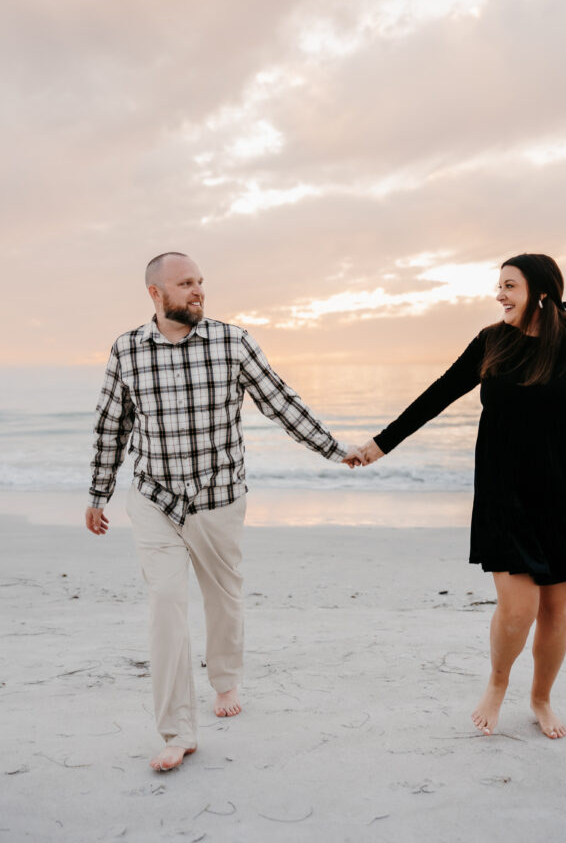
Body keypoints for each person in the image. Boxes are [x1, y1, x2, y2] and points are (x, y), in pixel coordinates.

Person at [358, 253, 566, 740]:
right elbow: (439, 394)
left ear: (540, 293)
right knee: (518, 608)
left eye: (509, 286)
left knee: (558, 609)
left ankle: (540, 697)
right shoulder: (491, 341)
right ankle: (497, 685)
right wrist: (380, 444)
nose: (499, 295)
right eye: (499, 286)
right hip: (506, 492)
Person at [86, 252, 362, 772]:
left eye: (200, 282)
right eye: (185, 283)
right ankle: (177, 731)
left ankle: (226, 678)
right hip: (154, 499)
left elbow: (281, 401)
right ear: (155, 293)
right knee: (166, 605)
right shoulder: (127, 350)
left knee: (223, 597)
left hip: (218, 499)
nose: (197, 291)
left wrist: (332, 447)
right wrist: (98, 494)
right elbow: (111, 427)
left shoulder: (232, 342)